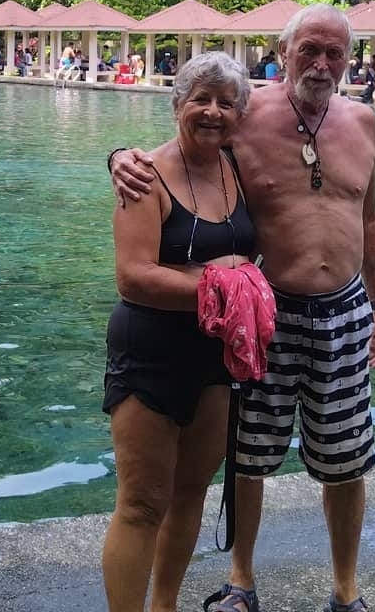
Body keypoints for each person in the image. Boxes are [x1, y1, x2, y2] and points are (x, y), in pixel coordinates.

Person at [109, 4, 375, 612]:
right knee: (250, 456)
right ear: (282, 50)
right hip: (267, 315)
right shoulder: (246, 115)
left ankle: (346, 592)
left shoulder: (364, 122)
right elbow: (184, 141)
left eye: (334, 53)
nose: (321, 64)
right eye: (309, 50)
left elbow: (369, 219)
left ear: (350, 60)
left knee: (345, 461)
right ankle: (241, 581)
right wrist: (118, 155)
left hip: (345, 310)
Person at [103, 53, 257, 612]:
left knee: (191, 492)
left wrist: (213, 280)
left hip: (216, 357)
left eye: (225, 101)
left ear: (240, 112)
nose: (213, 111)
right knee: (142, 503)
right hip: (152, 353)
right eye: (200, 98)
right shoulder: (145, 174)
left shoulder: (237, 166)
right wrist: (230, 287)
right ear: (176, 104)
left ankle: (164, 606)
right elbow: (134, 277)